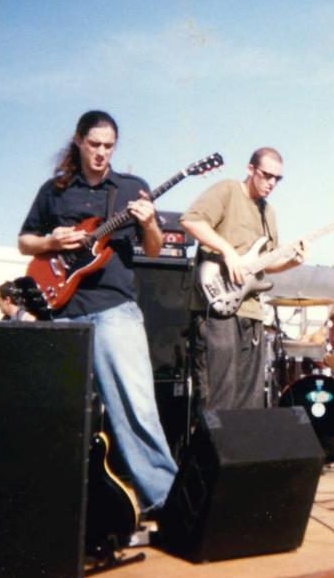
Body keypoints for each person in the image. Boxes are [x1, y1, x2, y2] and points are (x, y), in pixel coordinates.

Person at [17, 110, 178, 514]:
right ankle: (48, 505)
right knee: (57, 415)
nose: (102, 153)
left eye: (109, 146)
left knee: (137, 408)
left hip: (114, 309)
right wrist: (51, 242)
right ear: (79, 141)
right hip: (62, 311)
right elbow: (24, 242)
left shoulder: (131, 189)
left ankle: (167, 500)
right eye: (95, 145)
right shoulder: (54, 191)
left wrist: (150, 223)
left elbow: (154, 249)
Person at [180, 147, 307, 417]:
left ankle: (241, 458)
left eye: (277, 179)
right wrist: (228, 251)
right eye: (266, 175)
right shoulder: (227, 190)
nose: (271, 183)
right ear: (251, 170)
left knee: (249, 401)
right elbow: (191, 221)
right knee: (219, 397)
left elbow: (266, 265)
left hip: (251, 312)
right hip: (217, 309)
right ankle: (210, 459)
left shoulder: (268, 212)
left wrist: (292, 262)